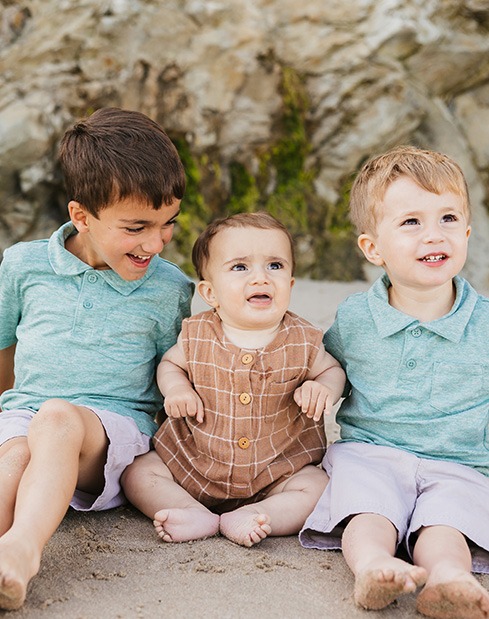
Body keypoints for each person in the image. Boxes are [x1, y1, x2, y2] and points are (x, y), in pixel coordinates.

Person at [0, 107, 194, 610]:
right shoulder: (23, 266)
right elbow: (4, 350)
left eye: (168, 223)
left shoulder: (170, 288)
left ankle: (23, 549)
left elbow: (180, 371)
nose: (155, 242)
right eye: (136, 227)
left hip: (110, 434)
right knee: (19, 451)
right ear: (81, 216)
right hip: (24, 415)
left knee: (58, 419)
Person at [299, 145, 489, 619]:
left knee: (448, 521)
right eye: (411, 222)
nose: (434, 235)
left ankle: (448, 578)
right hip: (373, 451)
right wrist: (322, 383)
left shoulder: (485, 324)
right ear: (372, 248)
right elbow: (332, 364)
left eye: (448, 218)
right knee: (368, 511)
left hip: (459, 461)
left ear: (466, 232)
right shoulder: (355, 317)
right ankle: (373, 567)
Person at [122, 212, 346, 547]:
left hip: (278, 471)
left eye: (275, 266)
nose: (261, 278)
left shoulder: (304, 339)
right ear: (210, 293)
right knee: (138, 473)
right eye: (240, 267)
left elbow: (333, 370)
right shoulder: (197, 334)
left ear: (291, 284)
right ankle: (189, 510)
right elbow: (171, 364)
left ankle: (262, 514)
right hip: (193, 461)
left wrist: (323, 386)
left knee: (318, 487)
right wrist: (177, 388)